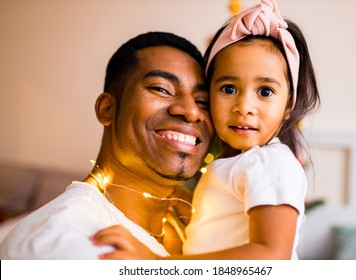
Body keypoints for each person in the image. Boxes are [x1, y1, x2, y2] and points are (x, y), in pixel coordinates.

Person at [92, 0, 320, 260]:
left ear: (289, 105)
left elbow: (271, 255)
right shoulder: (232, 164)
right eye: (228, 89)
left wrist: (156, 264)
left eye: (265, 92)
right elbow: (221, 229)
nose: (244, 106)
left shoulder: (271, 162)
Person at [0, 31, 215, 259]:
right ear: (107, 109)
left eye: (202, 101)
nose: (192, 112)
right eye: (161, 89)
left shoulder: (200, 223)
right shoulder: (64, 240)